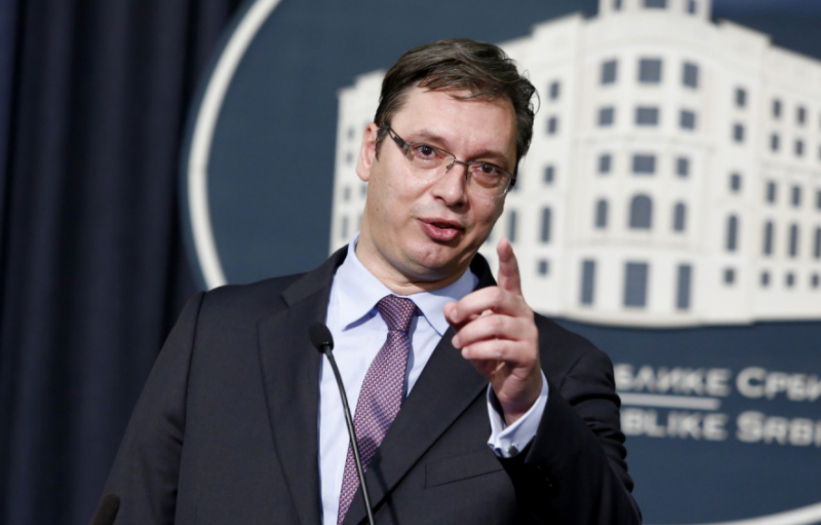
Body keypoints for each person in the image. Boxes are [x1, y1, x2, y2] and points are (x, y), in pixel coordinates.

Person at [100, 38, 641, 525]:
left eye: (485, 169)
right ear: (369, 150)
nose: (452, 191)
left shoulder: (555, 370)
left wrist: (526, 410)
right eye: (427, 152)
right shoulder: (219, 332)